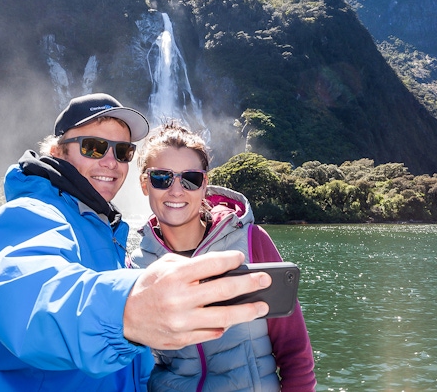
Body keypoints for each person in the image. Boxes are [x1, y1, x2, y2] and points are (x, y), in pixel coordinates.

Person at [0, 94, 272, 391]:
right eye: (94, 147)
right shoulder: (32, 213)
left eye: (122, 151)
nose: (111, 161)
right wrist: (126, 312)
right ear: (58, 152)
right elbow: (25, 291)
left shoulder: (105, 233)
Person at [130, 120, 316, 391]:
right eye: (162, 177)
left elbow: (295, 351)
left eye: (190, 179)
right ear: (145, 184)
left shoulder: (252, 242)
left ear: (204, 184)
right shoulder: (135, 266)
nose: (176, 190)